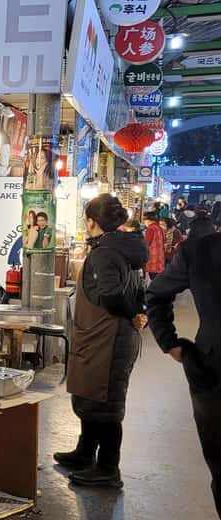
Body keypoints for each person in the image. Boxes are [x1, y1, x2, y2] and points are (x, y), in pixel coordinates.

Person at [57, 194, 148, 488]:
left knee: (106, 404)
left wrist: (133, 313)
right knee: (91, 397)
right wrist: (137, 310)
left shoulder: (105, 253)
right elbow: (136, 289)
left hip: (109, 339)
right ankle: (85, 452)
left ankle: (108, 468)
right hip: (100, 336)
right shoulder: (118, 247)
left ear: (91, 222)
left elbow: (110, 294)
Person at [145, 226, 221, 516]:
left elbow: (155, 295)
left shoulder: (199, 250)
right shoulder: (199, 251)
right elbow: (156, 295)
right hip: (213, 376)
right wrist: (168, 341)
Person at [143, 211, 166, 280]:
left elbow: (146, 244)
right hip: (160, 259)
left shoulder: (150, 229)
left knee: (152, 279)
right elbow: (164, 241)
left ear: (147, 220)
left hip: (153, 260)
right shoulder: (159, 227)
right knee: (157, 279)